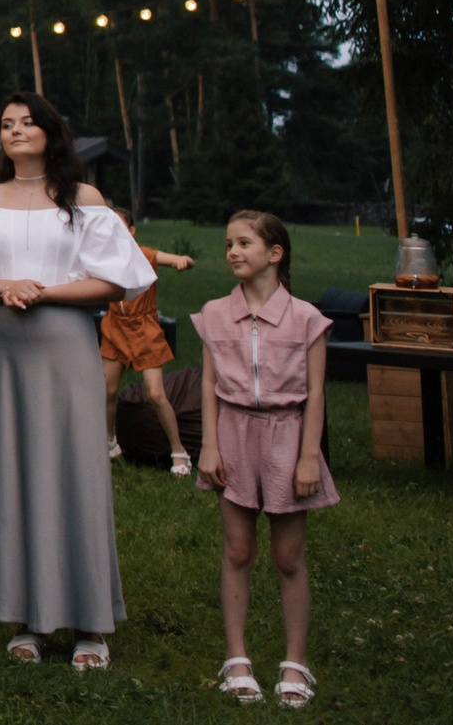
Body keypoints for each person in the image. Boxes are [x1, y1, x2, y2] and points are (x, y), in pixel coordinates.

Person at [0, 91, 153, 670]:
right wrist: (5, 288)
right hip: (4, 349)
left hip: (65, 346)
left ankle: (89, 624)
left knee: (76, 471)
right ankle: (27, 615)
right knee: (14, 471)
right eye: (6, 124)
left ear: (51, 132)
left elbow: (113, 282)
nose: (15, 131)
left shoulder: (84, 200)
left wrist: (40, 289)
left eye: (27, 122)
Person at [195, 210, 334, 709]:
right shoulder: (214, 314)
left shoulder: (306, 319)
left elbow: (316, 393)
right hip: (231, 434)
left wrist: (308, 456)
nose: (232, 251)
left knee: (288, 556)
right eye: (228, 243)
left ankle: (296, 663)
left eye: (244, 243)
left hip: (287, 437)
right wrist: (209, 445)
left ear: (274, 254)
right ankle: (237, 658)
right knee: (237, 549)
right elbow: (208, 386)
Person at [101, 204, 197, 473]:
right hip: (115, 328)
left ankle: (179, 451)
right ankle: (110, 442)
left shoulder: (143, 254)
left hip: (144, 330)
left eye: (119, 228)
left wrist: (182, 260)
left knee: (155, 393)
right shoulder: (100, 259)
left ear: (132, 231)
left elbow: (174, 258)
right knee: (107, 390)